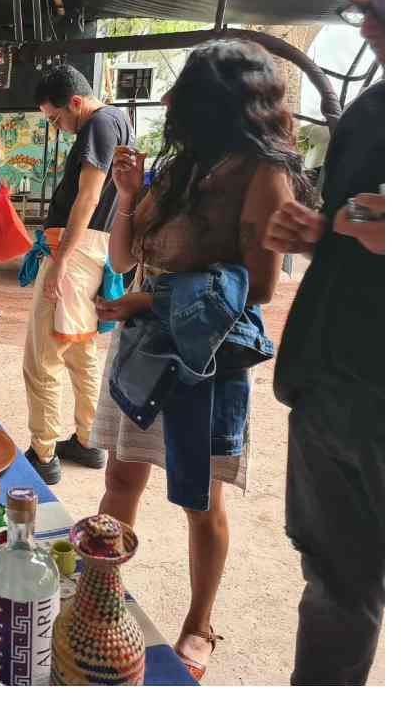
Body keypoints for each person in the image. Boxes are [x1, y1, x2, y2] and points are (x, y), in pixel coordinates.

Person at [92, 39, 305, 681]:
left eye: (187, 94)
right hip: (141, 350)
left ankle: (199, 623)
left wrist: (147, 299)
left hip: (203, 361)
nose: (172, 105)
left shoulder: (263, 173)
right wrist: (128, 191)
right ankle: (103, 592)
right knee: (120, 481)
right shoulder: (183, 165)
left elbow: (259, 288)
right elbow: (123, 260)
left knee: (201, 499)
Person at [263, 0, 384, 685]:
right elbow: (348, 230)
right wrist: (312, 233)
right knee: (336, 584)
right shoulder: (372, 110)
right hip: (333, 383)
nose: (368, 26)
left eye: (383, 5)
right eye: (361, 8)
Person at [18, 65, 134, 484]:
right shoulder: (118, 119)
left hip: (76, 248)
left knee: (42, 358)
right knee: (81, 352)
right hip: (94, 249)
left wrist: (60, 262)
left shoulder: (99, 123)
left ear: (76, 103)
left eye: (56, 118)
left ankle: (43, 452)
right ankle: (88, 440)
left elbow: (87, 196)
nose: (59, 127)